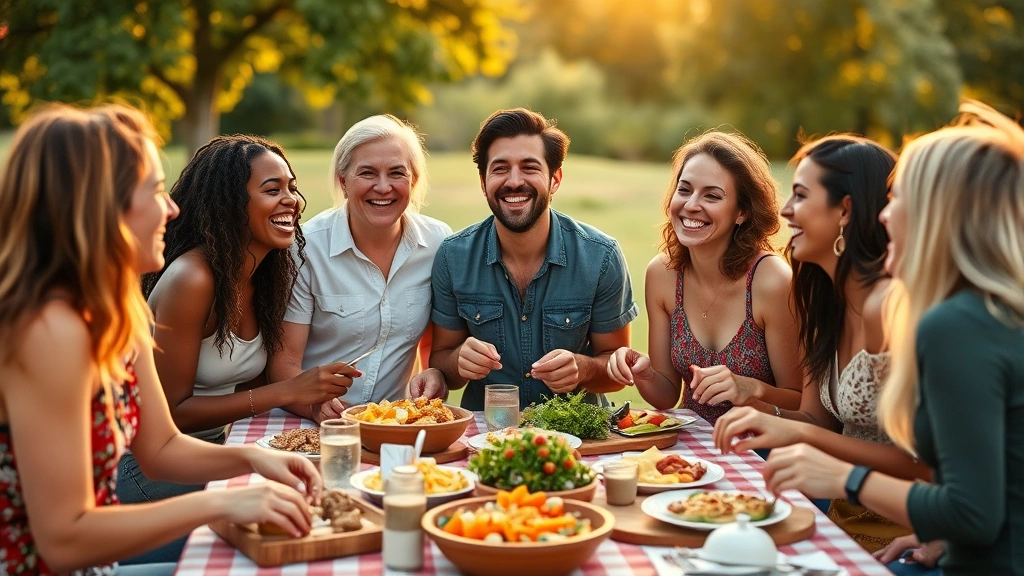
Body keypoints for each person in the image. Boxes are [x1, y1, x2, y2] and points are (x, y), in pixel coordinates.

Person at [0, 104, 320, 575]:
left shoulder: (116, 309)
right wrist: (221, 504)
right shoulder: (50, 330)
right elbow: (63, 540)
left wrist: (256, 458)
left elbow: (163, 446)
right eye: (153, 190)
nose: (171, 208)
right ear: (100, 203)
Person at [761, 101, 1024, 575]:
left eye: (898, 198)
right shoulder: (988, 315)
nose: (884, 215)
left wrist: (846, 477)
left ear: (937, 214)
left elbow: (971, 512)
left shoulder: (954, 325)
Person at [115, 135, 354, 564]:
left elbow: (253, 377)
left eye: (292, 187)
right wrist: (285, 393)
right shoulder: (193, 279)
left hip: (207, 453)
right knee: (286, 536)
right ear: (228, 201)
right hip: (149, 472)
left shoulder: (263, 273)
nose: (292, 201)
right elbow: (167, 412)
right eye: (272, 190)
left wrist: (311, 403)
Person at [710, 135, 927, 553]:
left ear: (844, 210)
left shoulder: (889, 307)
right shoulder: (819, 297)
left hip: (904, 535)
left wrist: (789, 430)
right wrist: (761, 412)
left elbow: (923, 466)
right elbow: (815, 420)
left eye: (801, 195)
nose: (786, 210)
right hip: (839, 521)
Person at [430, 108, 638, 410]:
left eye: (529, 167)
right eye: (500, 168)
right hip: (487, 434)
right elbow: (442, 361)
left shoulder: (601, 257)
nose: (514, 182)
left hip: (579, 438)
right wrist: (458, 360)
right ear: (483, 181)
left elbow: (616, 372)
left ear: (554, 179)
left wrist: (583, 368)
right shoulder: (453, 257)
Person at [606, 131, 802, 424]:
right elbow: (667, 394)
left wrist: (751, 390)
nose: (691, 205)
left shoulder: (771, 281)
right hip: (694, 452)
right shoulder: (662, 274)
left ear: (742, 212)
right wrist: (645, 372)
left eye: (712, 195)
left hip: (763, 449)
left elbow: (801, 403)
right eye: (684, 190)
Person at [269, 115, 451, 423]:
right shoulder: (305, 249)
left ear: (414, 181)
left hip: (394, 423)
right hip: (312, 421)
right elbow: (283, 362)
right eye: (367, 173)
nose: (383, 187)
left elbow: (438, 347)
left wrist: (437, 376)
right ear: (343, 181)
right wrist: (313, 406)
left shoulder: (438, 243)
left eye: (397, 173)